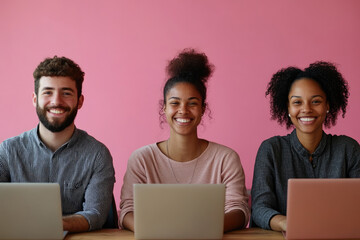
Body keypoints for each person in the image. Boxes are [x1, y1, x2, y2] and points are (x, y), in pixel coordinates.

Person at [120, 49, 250, 232]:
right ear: (164, 108)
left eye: (192, 103)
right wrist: (156, 230)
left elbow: (239, 210)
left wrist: (199, 229)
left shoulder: (225, 158)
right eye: (175, 103)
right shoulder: (142, 159)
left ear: (203, 109)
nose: (183, 110)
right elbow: (127, 211)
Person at [0, 56, 115, 232]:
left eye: (66, 93)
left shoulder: (97, 154)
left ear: (80, 101)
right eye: (47, 92)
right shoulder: (7, 152)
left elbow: (96, 214)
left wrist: (54, 224)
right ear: (34, 99)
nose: (56, 101)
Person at [250, 61, 360, 231]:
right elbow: (259, 208)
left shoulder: (348, 149)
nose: (306, 109)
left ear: (328, 105)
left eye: (316, 101)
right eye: (297, 102)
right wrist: (287, 224)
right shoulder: (271, 149)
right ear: (287, 107)